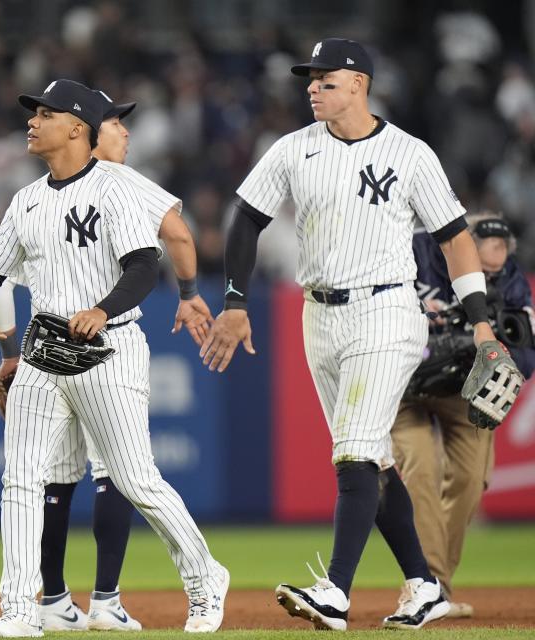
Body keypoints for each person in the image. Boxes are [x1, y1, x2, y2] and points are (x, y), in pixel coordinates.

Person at [199, 38, 516, 631]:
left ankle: (336, 593)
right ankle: (424, 587)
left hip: (387, 311)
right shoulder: (294, 150)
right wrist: (236, 300)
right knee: (372, 458)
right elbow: (245, 217)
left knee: (351, 455)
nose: (312, 87)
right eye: (309, 79)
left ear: (359, 83)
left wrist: (478, 321)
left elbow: (454, 237)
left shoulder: (408, 152)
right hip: (319, 315)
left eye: (325, 79)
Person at [0, 79, 230, 637]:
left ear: (77, 128)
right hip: (42, 351)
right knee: (20, 480)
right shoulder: (26, 199)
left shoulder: (116, 188)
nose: (32, 121)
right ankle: (17, 610)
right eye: (33, 113)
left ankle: (205, 578)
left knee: (136, 480)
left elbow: (143, 266)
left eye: (46, 114)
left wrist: (103, 309)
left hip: (110, 348)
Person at [392, 213, 535, 618]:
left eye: (496, 268)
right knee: (421, 469)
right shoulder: (412, 246)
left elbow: (525, 351)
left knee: (472, 481)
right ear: (461, 243)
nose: (490, 274)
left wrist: (498, 358)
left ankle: (434, 586)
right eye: (483, 266)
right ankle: (426, 587)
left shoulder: (508, 276)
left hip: (462, 390)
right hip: (403, 386)